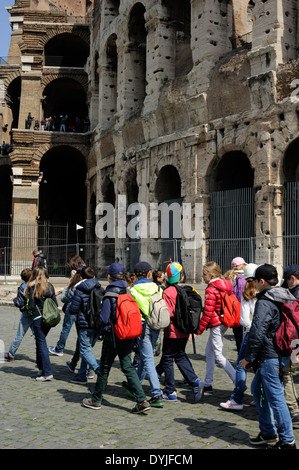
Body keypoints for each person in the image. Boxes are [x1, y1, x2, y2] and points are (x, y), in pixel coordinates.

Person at [239, 263, 296, 449]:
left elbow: (257, 333)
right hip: (281, 352)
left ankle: (288, 440)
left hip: (270, 356)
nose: (254, 284)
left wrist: (248, 358)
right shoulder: (284, 295)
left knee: (276, 397)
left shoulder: (265, 302)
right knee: (257, 389)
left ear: (261, 281)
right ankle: (268, 432)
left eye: (256, 281)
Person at [82, 263, 151, 414]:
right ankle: (141, 400)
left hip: (113, 336)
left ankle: (96, 399)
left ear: (109, 277)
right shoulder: (128, 290)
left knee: (105, 368)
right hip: (127, 334)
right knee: (127, 367)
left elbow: (104, 318)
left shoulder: (110, 293)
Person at [157, 262, 204, 402]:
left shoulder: (168, 292)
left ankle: (170, 391)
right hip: (184, 330)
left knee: (167, 359)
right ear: (181, 277)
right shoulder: (186, 289)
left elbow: (168, 313)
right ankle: (195, 381)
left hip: (172, 331)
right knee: (180, 356)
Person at [123, 261, 164, 407]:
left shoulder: (132, 290)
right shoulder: (157, 288)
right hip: (157, 325)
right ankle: (136, 385)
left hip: (142, 326)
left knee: (148, 359)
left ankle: (156, 394)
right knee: (147, 356)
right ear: (149, 273)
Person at [220, 263, 258, 410]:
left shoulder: (247, 292)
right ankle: (258, 397)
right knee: (259, 366)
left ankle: (237, 398)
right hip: (267, 335)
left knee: (241, 365)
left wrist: (249, 327)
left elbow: (244, 320)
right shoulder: (266, 290)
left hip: (251, 332)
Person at [198, 261, 236, 393]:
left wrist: (200, 329)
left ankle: (238, 381)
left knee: (219, 355)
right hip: (222, 321)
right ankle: (208, 383)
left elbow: (208, 312)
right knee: (209, 352)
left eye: (204, 274)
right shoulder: (224, 284)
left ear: (211, 275)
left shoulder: (211, 288)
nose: (203, 277)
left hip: (216, 323)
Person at [69, 266, 102, 384]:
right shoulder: (100, 288)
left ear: (81, 277)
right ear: (93, 276)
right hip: (97, 324)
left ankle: (99, 370)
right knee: (88, 350)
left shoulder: (79, 289)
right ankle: (82, 375)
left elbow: (73, 308)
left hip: (84, 324)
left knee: (85, 350)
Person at [26, 267, 58, 381]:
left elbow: (30, 306)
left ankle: (47, 372)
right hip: (48, 320)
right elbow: (55, 303)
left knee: (41, 344)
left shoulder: (34, 287)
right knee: (40, 343)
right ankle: (41, 367)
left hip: (38, 319)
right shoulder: (51, 286)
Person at [281, 263, 299, 429]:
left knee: (287, 373)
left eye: (286, 281)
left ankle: (294, 411)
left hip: (295, 342)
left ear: (292, 278)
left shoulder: (295, 294)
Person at [5, 268, 34, 361]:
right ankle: (41, 354)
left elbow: (19, 302)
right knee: (38, 335)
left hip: (26, 313)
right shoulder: (35, 286)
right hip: (35, 312)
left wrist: (15, 299)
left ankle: (11, 354)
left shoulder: (22, 287)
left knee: (19, 335)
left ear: (22, 278)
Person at [224, 257, 247, 353]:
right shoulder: (244, 279)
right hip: (243, 310)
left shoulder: (230, 278)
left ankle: (239, 354)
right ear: (242, 265)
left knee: (238, 337)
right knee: (246, 337)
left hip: (233, 310)